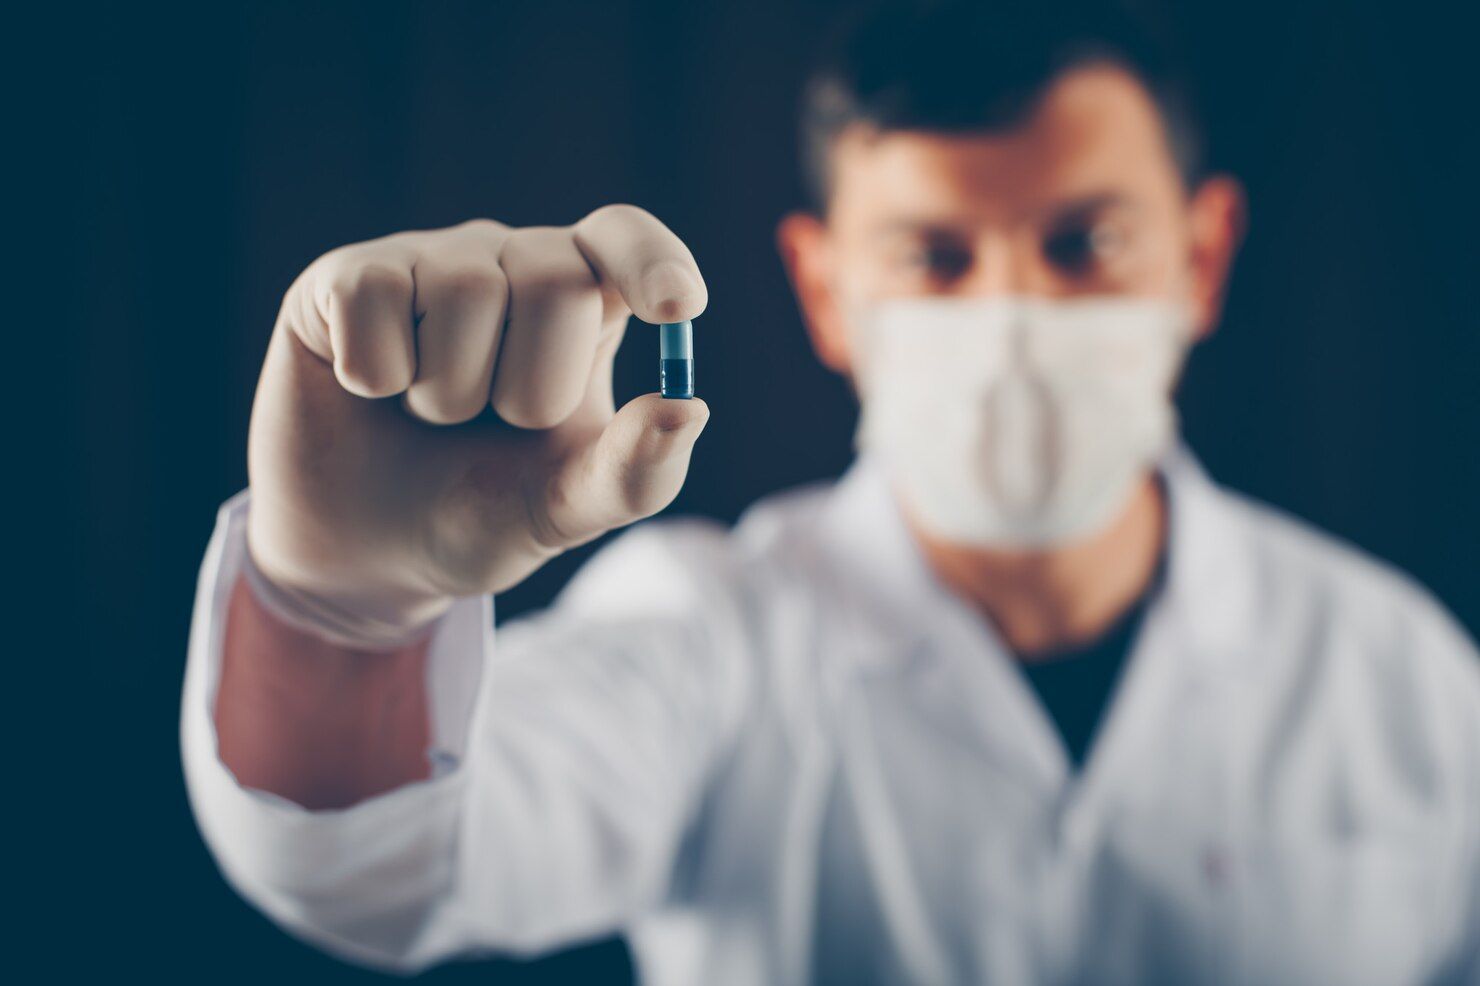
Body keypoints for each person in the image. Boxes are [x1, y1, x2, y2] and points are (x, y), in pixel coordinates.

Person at [181, 2, 1480, 984]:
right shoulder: (702, 632)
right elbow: (384, 883)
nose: (1013, 314)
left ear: (1202, 259)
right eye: (934, 253)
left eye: (1085, 242)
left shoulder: (1403, 675)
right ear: (823, 291)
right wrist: (346, 621)